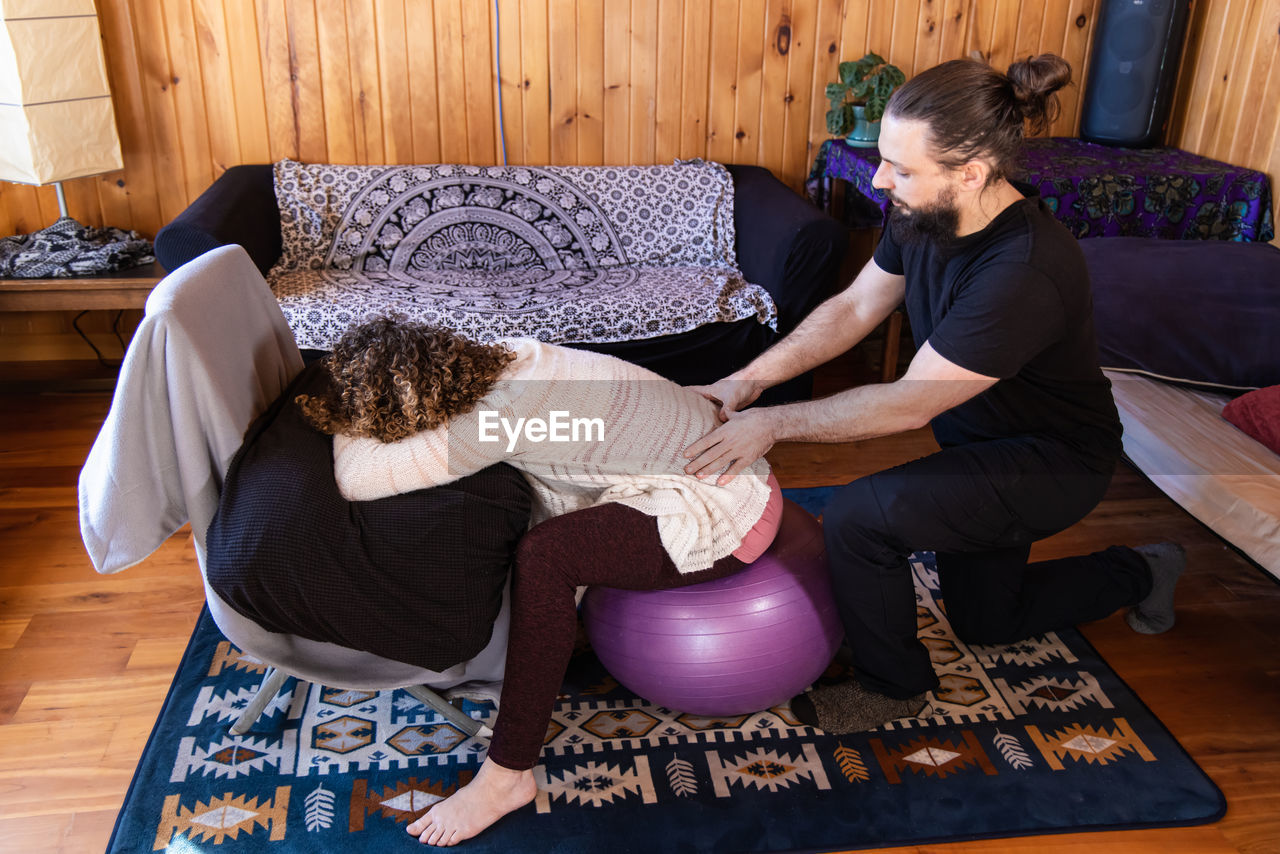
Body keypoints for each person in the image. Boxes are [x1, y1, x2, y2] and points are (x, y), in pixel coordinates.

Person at [683, 54, 1184, 735]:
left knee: (862, 517)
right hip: (978, 441)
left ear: (971, 173)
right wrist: (746, 382)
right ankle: (1142, 570)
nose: (882, 179)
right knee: (987, 622)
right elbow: (856, 307)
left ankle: (892, 692)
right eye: (885, 159)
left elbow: (909, 404)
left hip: (1049, 463)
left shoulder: (1024, 272)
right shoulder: (926, 212)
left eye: (903, 167)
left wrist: (770, 425)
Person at [299, 315, 782, 846]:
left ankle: (507, 776)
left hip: (728, 503)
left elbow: (355, 479)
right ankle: (540, 658)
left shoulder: (491, 421)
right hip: (714, 462)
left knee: (547, 558)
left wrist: (345, 417)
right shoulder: (501, 356)